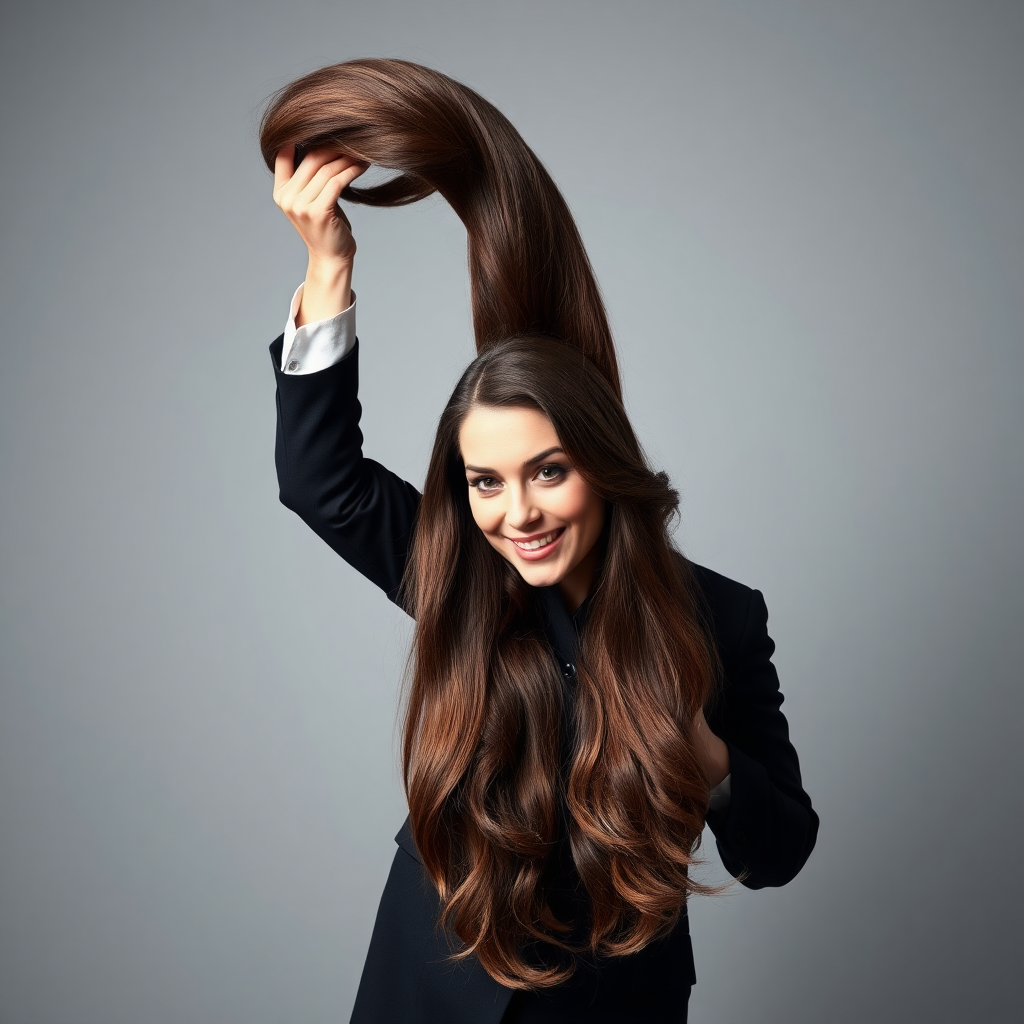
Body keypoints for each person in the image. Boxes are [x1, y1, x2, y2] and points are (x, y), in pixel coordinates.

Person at [260, 59, 818, 1024]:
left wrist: (708, 761)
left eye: (548, 472)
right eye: (485, 481)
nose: (517, 514)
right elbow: (321, 482)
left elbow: (781, 850)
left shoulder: (722, 616)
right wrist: (328, 269)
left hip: (614, 1002)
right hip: (429, 982)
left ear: (601, 464)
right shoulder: (464, 576)